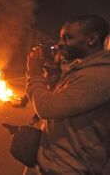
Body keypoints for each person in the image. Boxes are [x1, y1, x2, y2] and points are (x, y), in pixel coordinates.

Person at [25, 14, 110, 174]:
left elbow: (48, 108)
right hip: (53, 162)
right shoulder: (83, 68)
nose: (59, 44)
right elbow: (61, 98)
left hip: (69, 169)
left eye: (67, 38)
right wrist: (52, 73)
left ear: (92, 39)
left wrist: (34, 74)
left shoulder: (101, 75)